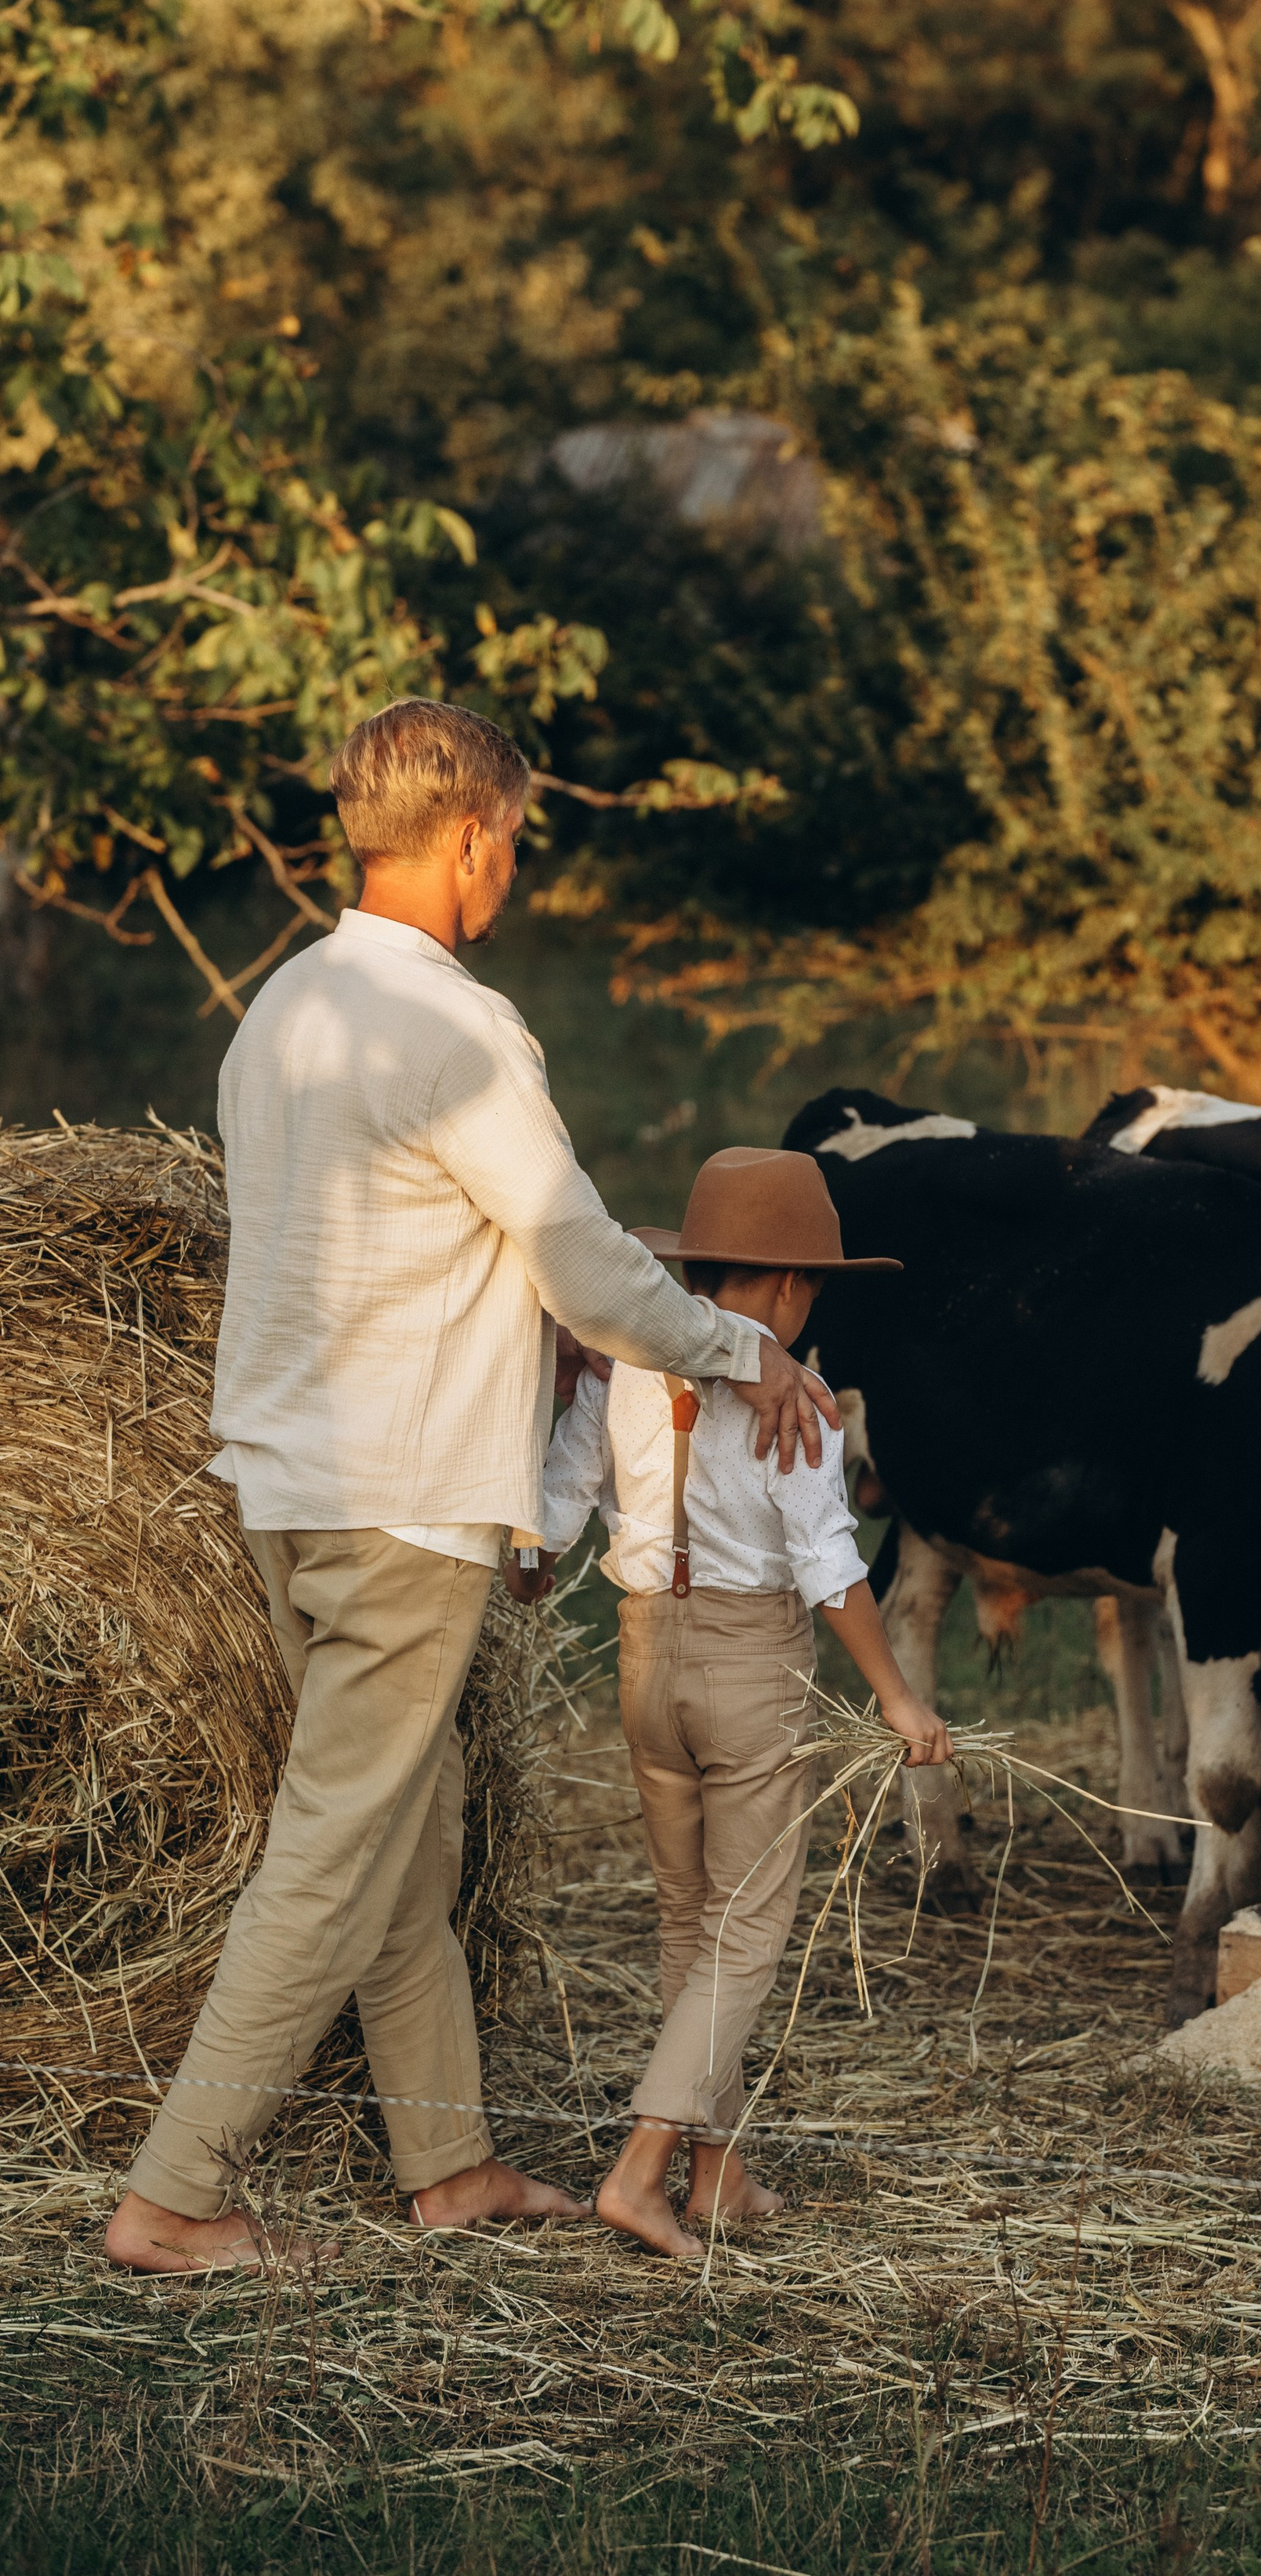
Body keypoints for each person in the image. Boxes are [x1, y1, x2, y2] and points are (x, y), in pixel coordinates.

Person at [103, 700, 838, 2274]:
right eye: (514, 843)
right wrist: (728, 1347)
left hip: (287, 1476)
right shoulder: (461, 1030)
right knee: (338, 1837)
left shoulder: (282, 1012)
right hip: (402, 1495)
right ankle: (174, 2195)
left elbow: (393, 1250)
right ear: (471, 837)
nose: (513, 873)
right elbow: (578, 1260)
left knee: (407, 1834)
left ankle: (445, 2166)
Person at [531, 1144, 951, 2262]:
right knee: (750, 1926)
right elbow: (829, 1565)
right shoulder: (793, 1399)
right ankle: (641, 2169)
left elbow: (564, 1490)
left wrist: (531, 1558)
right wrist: (900, 1700)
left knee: (690, 1920)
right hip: (748, 1671)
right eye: (814, 1284)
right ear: (788, 1282)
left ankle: (719, 2173)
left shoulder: (626, 1363)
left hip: (643, 1662)